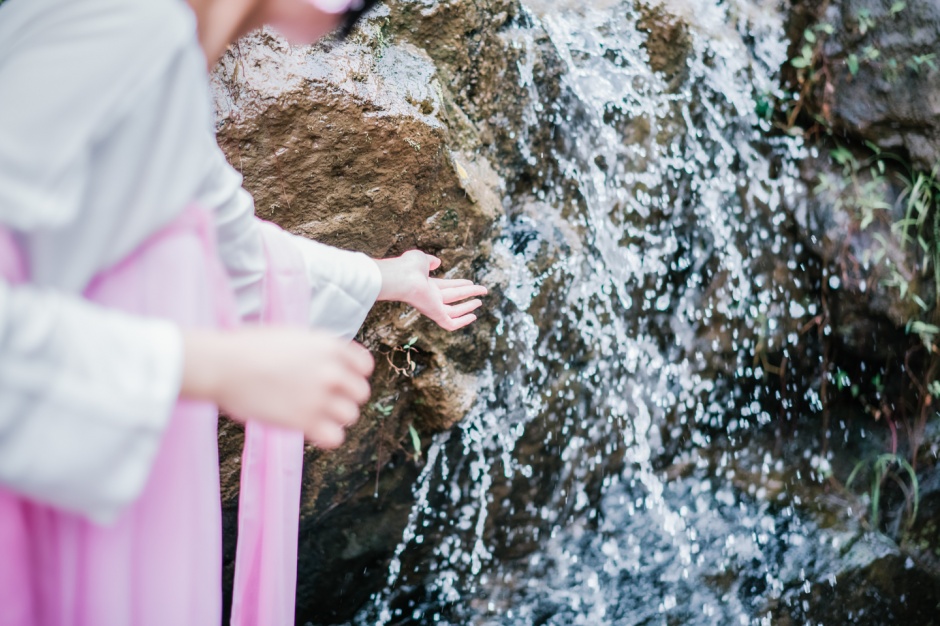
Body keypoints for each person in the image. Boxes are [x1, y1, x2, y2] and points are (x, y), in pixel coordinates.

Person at [0, 0, 487, 624]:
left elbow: (235, 248)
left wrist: (385, 280)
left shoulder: (170, 53)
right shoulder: (120, 21)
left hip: (118, 494)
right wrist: (207, 369)